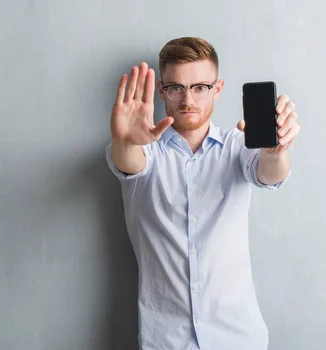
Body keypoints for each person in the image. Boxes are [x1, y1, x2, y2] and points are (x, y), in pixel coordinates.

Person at [105, 37, 300, 350]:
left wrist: (276, 151)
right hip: (165, 341)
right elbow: (129, 162)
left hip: (239, 339)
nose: (187, 100)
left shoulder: (240, 145)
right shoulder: (147, 152)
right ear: (162, 91)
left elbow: (268, 173)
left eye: (200, 87)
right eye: (176, 88)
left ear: (217, 89)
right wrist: (125, 142)